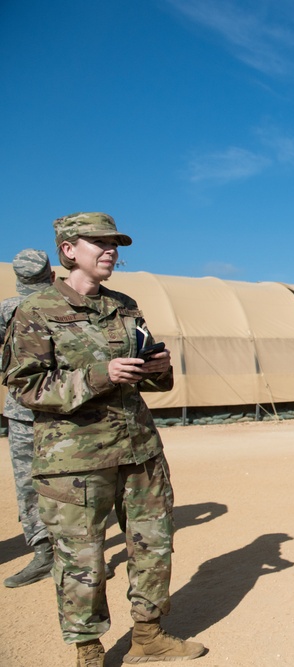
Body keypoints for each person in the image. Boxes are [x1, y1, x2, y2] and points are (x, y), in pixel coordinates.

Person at [2, 213, 206, 666]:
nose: (111, 250)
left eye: (115, 243)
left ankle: (148, 636)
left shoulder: (125, 305)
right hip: (74, 459)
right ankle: (88, 650)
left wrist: (158, 368)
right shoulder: (35, 311)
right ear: (68, 250)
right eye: (99, 242)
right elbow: (24, 386)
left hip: (139, 449)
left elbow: (152, 377)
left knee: (152, 544)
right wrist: (100, 374)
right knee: (82, 558)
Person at [1, 249, 55, 588]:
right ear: (51, 273)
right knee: (71, 484)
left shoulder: (7, 309)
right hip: (63, 409)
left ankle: (46, 553)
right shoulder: (65, 302)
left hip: (26, 411)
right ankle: (68, 555)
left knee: (29, 484)